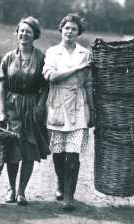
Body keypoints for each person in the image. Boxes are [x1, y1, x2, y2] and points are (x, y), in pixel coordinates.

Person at [43, 13, 96, 211]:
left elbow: (89, 83)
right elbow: (52, 77)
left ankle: (69, 194)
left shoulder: (85, 54)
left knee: (73, 155)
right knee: (58, 153)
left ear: (79, 33)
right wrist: (77, 69)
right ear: (61, 30)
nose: (70, 32)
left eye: (74, 29)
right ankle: (60, 180)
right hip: (58, 103)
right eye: (67, 28)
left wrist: (92, 109)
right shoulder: (52, 52)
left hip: (79, 104)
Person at [0, 16, 50, 205]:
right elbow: (2, 86)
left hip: (32, 106)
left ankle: (21, 191)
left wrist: (40, 106)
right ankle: (11, 188)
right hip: (12, 106)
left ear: (34, 35)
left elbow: (46, 85)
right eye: (22, 30)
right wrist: (2, 111)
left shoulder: (41, 57)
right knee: (13, 149)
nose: (24, 34)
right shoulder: (9, 57)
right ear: (17, 33)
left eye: (28, 31)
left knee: (29, 148)